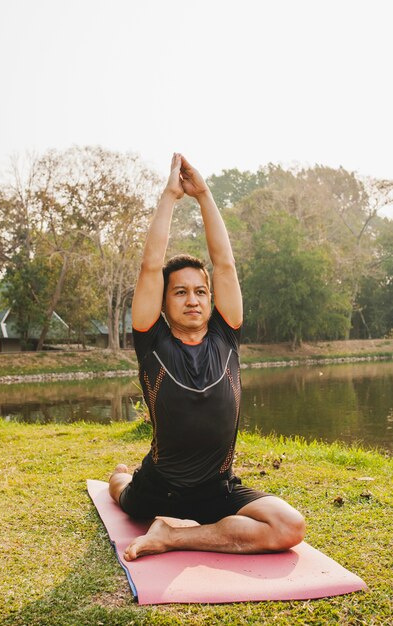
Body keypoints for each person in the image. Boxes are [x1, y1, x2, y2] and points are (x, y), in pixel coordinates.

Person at [109, 153, 305, 561]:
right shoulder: (153, 341)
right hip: (160, 487)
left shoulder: (226, 335)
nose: (193, 299)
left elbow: (225, 265)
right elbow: (149, 267)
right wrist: (169, 195)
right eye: (180, 292)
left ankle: (173, 536)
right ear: (163, 303)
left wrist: (205, 195)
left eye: (200, 291)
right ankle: (121, 476)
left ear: (211, 299)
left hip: (219, 488)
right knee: (121, 491)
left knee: (290, 526)